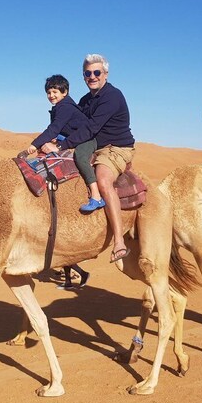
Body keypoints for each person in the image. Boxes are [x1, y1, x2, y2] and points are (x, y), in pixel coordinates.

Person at [41, 54, 135, 263]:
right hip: (93, 145)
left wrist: (62, 145)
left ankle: (118, 241)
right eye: (88, 73)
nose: (92, 76)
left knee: (102, 179)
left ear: (105, 74)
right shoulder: (86, 100)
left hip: (115, 148)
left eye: (96, 72)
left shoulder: (112, 96)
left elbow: (91, 128)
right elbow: (77, 124)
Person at [27, 74, 102, 206]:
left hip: (87, 139)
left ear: (64, 92)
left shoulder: (65, 107)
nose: (51, 95)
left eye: (55, 91)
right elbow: (59, 130)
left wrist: (34, 144)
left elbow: (54, 129)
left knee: (80, 157)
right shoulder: (60, 107)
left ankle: (96, 195)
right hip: (72, 138)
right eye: (49, 92)